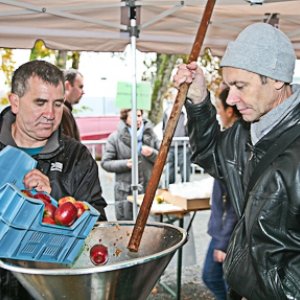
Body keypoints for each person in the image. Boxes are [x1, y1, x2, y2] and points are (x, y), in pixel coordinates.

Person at [174, 22, 300, 300]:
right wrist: (198, 99)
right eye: (230, 85)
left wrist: (271, 292)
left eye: (240, 85)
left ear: (277, 79)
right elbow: (210, 155)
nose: (231, 98)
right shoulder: (248, 130)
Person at [0, 60, 107, 300]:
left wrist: (54, 204)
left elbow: (98, 227)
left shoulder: (77, 157)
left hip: (52, 289)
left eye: (57, 104)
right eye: (40, 102)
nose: (50, 114)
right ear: (15, 102)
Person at [202, 88, 239, 300]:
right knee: (214, 278)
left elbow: (234, 200)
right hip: (222, 230)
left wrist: (223, 241)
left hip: (227, 232)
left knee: (217, 278)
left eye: (220, 110)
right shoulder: (227, 142)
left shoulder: (233, 146)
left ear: (230, 111)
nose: (219, 114)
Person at [101, 108, 160, 220]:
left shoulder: (152, 136)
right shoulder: (114, 138)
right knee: (127, 229)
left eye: (139, 115)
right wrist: (125, 164)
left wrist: (152, 153)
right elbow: (105, 163)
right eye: (133, 116)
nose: (138, 119)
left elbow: (164, 159)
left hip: (149, 189)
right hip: (125, 192)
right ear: (125, 119)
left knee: (151, 230)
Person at [162, 87, 191, 185]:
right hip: (170, 147)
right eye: (175, 96)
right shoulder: (167, 111)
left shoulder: (186, 112)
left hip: (183, 147)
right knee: (169, 172)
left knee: (185, 172)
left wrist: (188, 144)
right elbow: (163, 128)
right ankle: (169, 192)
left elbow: (190, 129)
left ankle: (185, 192)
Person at [61, 69, 85, 141]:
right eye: (80, 87)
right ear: (67, 86)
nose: (83, 92)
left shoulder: (64, 110)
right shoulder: (63, 111)